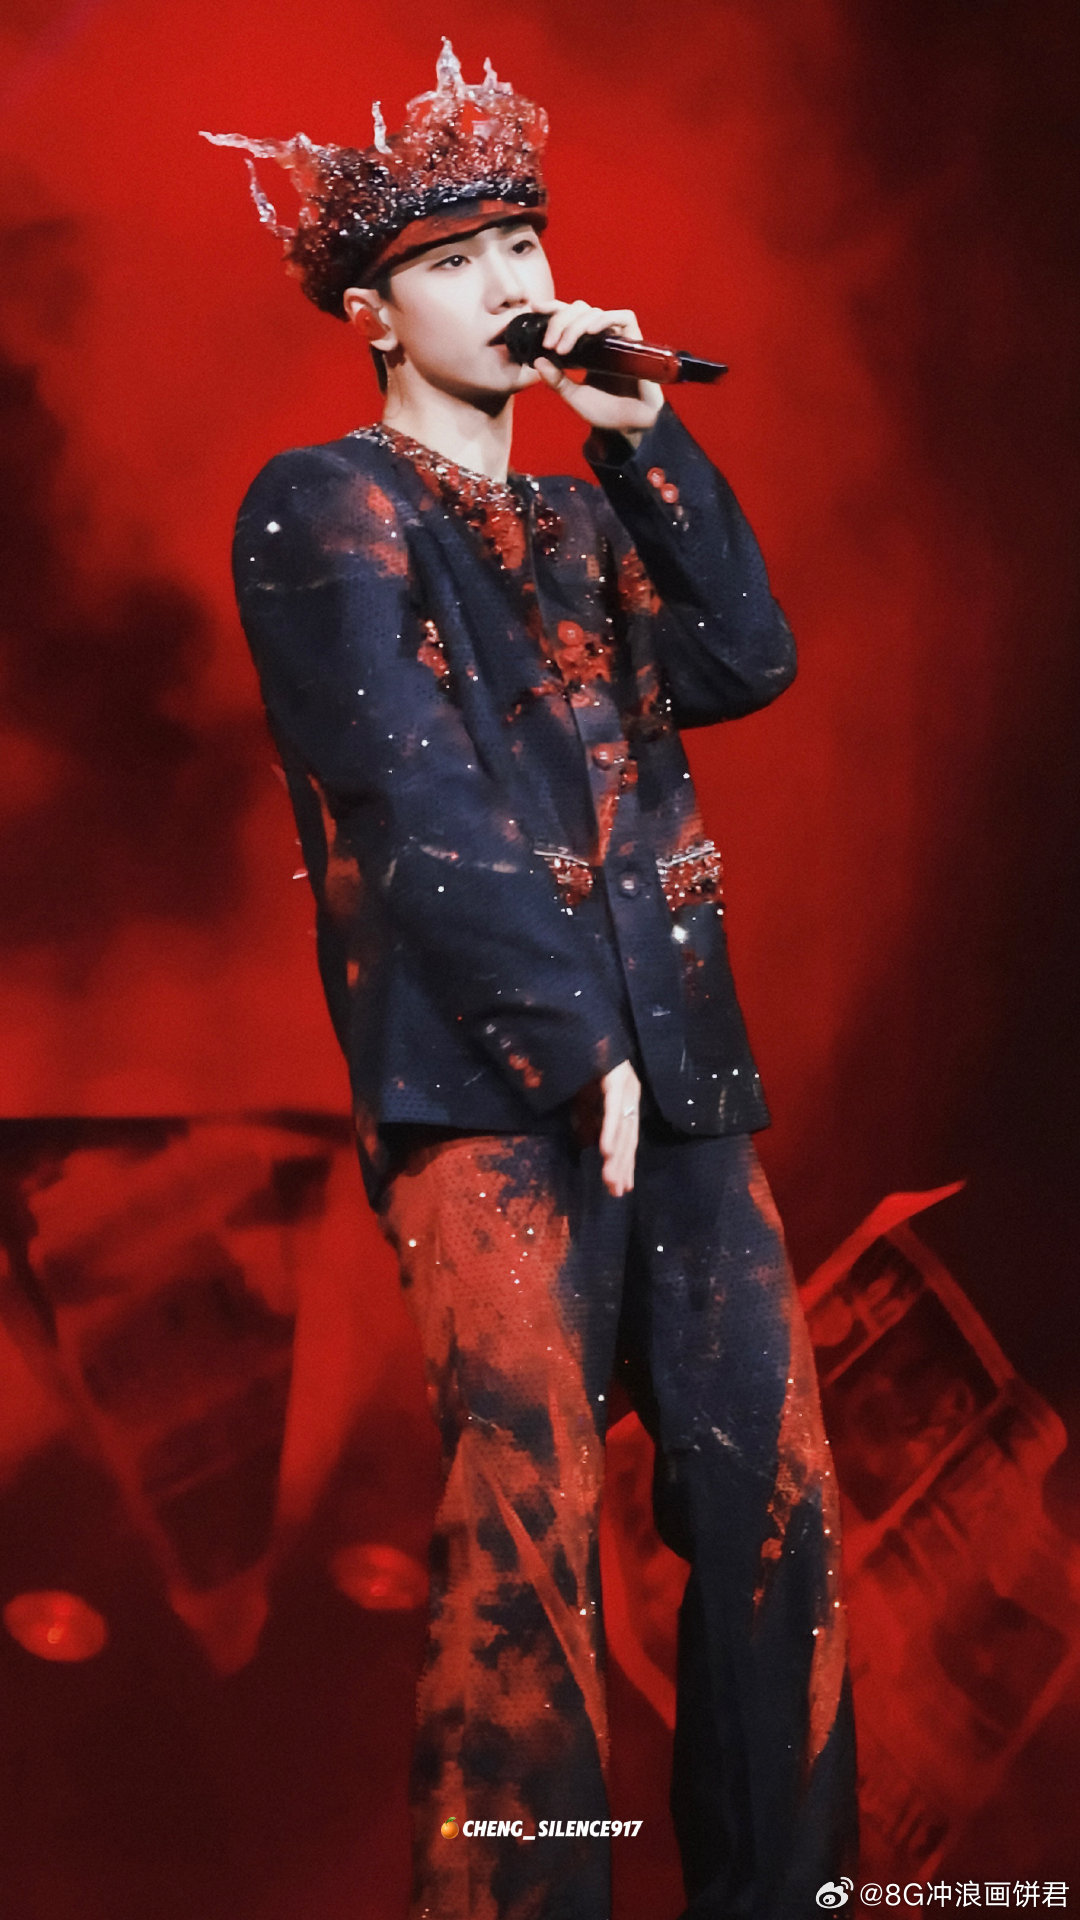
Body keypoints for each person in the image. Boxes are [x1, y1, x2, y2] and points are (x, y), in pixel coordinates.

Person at [206, 39, 858, 1920]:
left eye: (524, 241)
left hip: (688, 1086)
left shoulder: (582, 518)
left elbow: (745, 659)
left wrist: (644, 441)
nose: (507, 281)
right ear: (371, 311)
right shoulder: (324, 503)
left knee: (776, 1528)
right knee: (533, 1557)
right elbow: (398, 783)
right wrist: (571, 1040)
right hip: (495, 1097)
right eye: (455, 258)